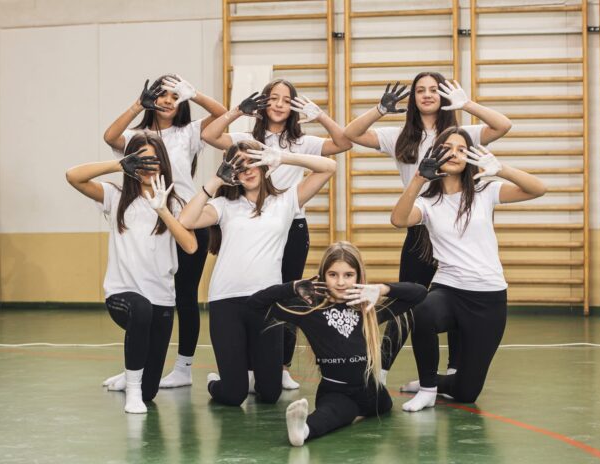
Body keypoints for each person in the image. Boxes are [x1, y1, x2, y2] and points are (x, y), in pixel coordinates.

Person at [344, 75, 513, 388]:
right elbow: (349, 134)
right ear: (412, 99)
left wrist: (467, 104)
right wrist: (380, 109)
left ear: (444, 96)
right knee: (408, 303)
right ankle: (381, 370)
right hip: (421, 223)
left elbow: (503, 125)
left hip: (456, 227)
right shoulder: (400, 136)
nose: (426, 95)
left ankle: (453, 372)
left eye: (434, 89)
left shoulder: (462, 135)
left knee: (459, 297)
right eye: (420, 90)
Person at [202, 79, 351, 390]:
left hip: (289, 223)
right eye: (273, 98)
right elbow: (210, 135)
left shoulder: (302, 141)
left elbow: (342, 143)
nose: (280, 104)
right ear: (263, 104)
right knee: (255, 294)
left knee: (287, 296)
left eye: (286, 99)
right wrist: (236, 111)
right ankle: (240, 368)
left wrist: (320, 116)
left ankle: (280, 365)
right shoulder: (247, 139)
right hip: (249, 221)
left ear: (293, 106)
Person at [389, 126, 546, 411]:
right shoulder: (428, 202)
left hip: (489, 296)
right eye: (447, 148)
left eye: (462, 149)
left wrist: (501, 169)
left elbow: (539, 189)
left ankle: (438, 382)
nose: (454, 153)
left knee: (466, 392)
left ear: (470, 158)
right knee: (422, 312)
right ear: (435, 153)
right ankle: (427, 388)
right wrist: (418, 179)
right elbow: (399, 220)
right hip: (449, 289)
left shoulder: (486, 191)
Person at [178, 140, 336, 406]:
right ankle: (218, 382)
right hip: (226, 301)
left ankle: (247, 376)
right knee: (234, 394)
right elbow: (186, 220)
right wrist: (215, 180)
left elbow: (329, 167)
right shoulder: (223, 205)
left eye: (252, 162)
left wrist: (282, 157)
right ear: (232, 173)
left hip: (267, 302)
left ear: (264, 166)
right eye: (239, 166)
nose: (247, 170)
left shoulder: (286, 200)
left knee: (270, 393)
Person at [103, 74, 226, 389]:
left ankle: (183, 368)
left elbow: (222, 113)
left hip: (186, 220)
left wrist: (194, 94)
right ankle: (136, 367)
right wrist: (136, 105)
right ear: (151, 99)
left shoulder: (188, 132)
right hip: (150, 220)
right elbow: (110, 136)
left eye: (175, 96)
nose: (168, 101)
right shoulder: (137, 137)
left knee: (185, 296)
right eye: (162, 95)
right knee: (144, 297)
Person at [66, 131, 198, 413]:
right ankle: (132, 392)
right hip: (122, 294)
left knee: (151, 392)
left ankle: (133, 380)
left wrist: (163, 211)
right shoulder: (115, 196)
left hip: (162, 299)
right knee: (140, 310)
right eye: (141, 161)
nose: (148, 167)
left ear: (163, 164)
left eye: (153, 161)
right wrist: (118, 165)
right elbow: (73, 176)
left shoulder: (174, 203)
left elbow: (190, 246)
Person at [247, 241, 427, 446]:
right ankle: (303, 430)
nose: (341, 282)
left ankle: (349, 415)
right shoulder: (309, 308)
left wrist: (381, 288)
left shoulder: (368, 307)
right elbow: (254, 304)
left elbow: (420, 293)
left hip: (373, 393)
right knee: (332, 414)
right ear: (323, 276)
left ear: (358, 276)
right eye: (333, 274)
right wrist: (292, 287)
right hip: (336, 392)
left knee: (384, 405)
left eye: (348, 275)